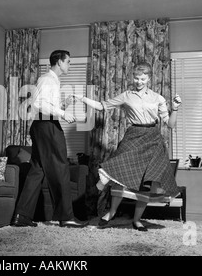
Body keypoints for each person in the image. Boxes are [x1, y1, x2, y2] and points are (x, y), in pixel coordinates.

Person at [74, 62, 182, 232]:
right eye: (136, 78)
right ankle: (111, 211)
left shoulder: (158, 98)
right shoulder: (126, 96)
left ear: (149, 79)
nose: (139, 81)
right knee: (121, 175)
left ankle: (137, 220)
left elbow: (170, 124)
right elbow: (102, 106)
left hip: (152, 139)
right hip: (133, 136)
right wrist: (83, 99)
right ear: (132, 77)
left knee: (147, 183)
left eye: (143, 79)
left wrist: (175, 109)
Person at [11, 50, 89, 228]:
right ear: (59, 62)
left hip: (41, 126)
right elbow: (38, 104)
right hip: (47, 127)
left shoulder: (52, 81)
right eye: (68, 61)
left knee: (37, 170)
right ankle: (66, 217)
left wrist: (64, 105)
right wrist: (63, 113)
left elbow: (46, 106)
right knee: (61, 167)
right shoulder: (47, 79)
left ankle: (21, 216)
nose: (70, 65)